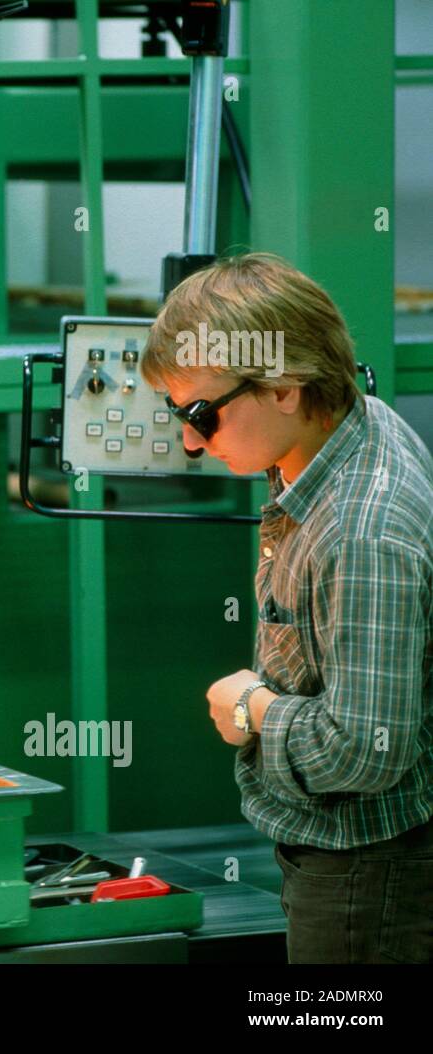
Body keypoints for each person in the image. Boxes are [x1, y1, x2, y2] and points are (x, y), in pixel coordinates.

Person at [140, 252, 433, 964]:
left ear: (285, 388)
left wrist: (254, 709)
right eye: (178, 414)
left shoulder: (363, 530)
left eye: (203, 414)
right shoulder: (351, 428)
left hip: (367, 875)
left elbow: (365, 752)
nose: (188, 440)